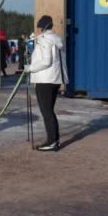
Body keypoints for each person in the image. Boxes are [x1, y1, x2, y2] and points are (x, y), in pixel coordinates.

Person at [25, 15, 68, 152]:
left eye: (39, 27)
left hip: (45, 80)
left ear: (43, 27)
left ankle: (52, 141)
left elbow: (46, 61)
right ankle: (53, 140)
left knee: (47, 112)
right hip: (55, 79)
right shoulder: (56, 39)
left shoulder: (44, 40)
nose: (37, 30)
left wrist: (29, 68)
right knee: (49, 111)